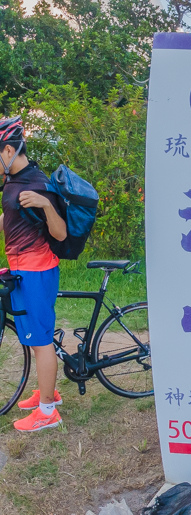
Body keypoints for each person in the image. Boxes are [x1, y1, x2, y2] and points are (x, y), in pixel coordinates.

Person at [0, 116, 67, 432]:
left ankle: (47, 411)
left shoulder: (38, 184)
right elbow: (13, 214)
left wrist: (46, 205)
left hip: (38, 271)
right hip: (21, 269)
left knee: (41, 342)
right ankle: (46, 390)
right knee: (32, 336)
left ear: (8, 150)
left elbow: (61, 233)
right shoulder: (14, 181)